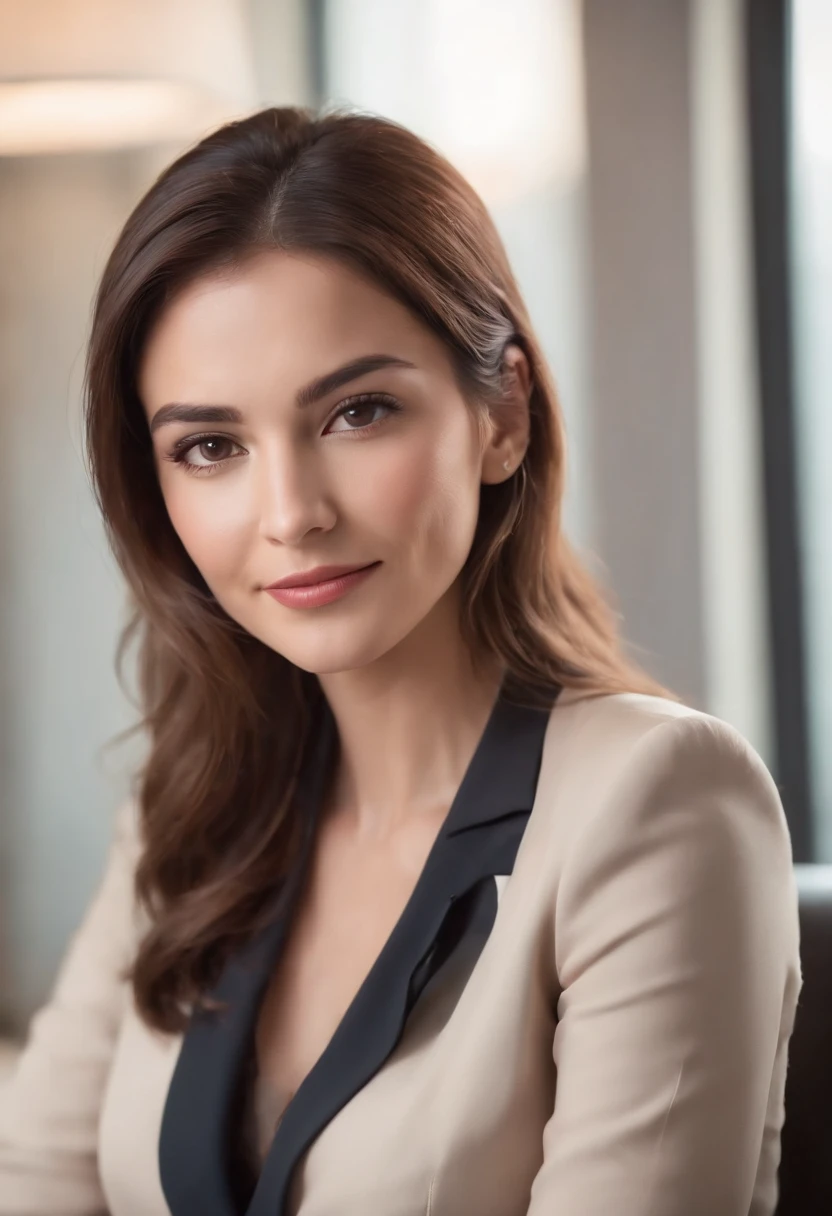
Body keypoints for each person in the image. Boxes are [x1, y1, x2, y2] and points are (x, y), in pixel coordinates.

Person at [0, 105, 801, 1216]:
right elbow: (34, 1182)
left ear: (502, 414)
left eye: (356, 412)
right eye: (211, 447)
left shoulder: (657, 803)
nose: (290, 514)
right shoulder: (193, 801)